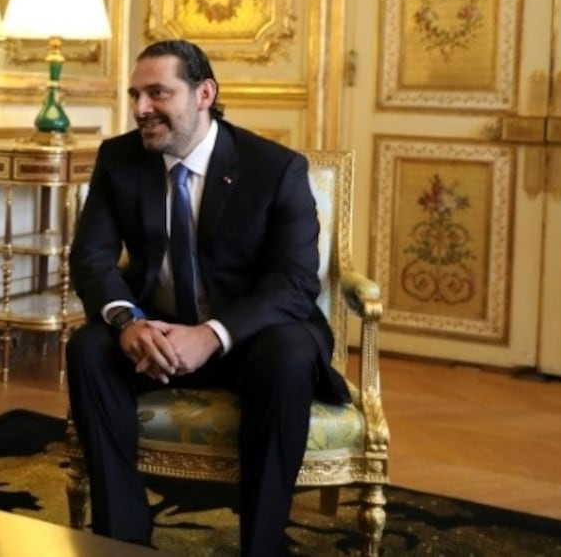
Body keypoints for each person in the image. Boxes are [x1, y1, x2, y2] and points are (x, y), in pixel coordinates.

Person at [65, 39, 350, 556]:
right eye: (135, 95)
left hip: (251, 339)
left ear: (204, 94)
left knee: (288, 354)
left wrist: (212, 336)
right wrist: (129, 321)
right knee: (88, 349)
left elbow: (294, 281)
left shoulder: (274, 168)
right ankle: (123, 540)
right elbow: (91, 258)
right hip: (158, 334)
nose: (140, 109)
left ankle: (261, 546)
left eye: (157, 93)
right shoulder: (120, 158)